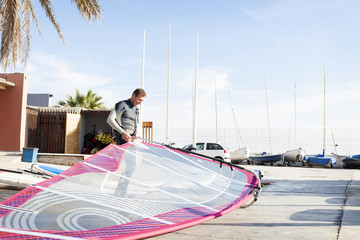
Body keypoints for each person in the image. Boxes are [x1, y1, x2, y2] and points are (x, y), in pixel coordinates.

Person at [106, 88, 146, 197]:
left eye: (142, 101)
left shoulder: (136, 109)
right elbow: (110, 119)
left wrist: (135, 134)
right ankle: (121, 192)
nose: (140, 103)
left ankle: (120, 190)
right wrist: (123, 132)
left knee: (131, 167)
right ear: (134, 95)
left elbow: (135, 125)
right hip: (121, 137)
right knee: (130, 164)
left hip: (130, 140)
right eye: (139, 100)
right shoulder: (122, 104)